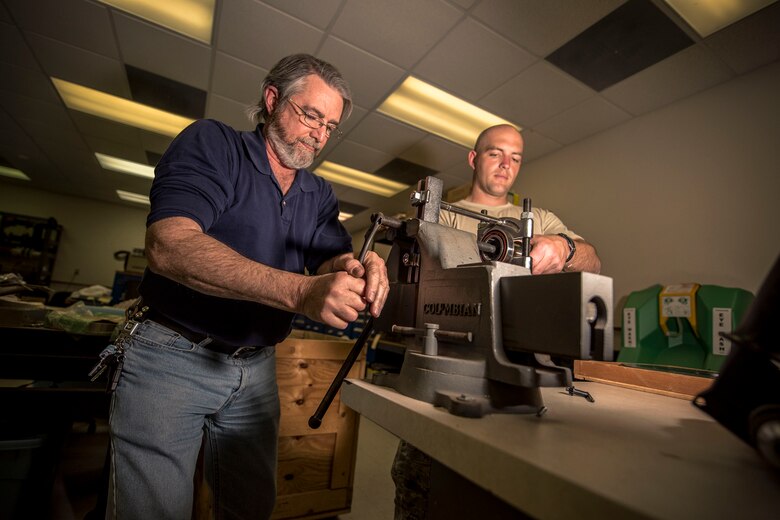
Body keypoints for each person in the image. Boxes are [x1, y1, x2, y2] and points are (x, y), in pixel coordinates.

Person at [104, 54, 388, 519]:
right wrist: (301, 292)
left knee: (251, 506)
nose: (319, 134)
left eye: (330, 126)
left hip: (254, 368)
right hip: (170, 355)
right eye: (311, 115)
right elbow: (169, 245)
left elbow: (329, 257)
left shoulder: (317, 194)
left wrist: (361, 264)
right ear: (272, 99)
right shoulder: (215, 145)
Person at [392, 123, 601, 519]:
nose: (507, 165)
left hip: (512, 388)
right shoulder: (444, 217)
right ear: (474, 158)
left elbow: (593, 259)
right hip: (444, 378)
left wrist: (564, 246)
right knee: (420, 491)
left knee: (498, 496)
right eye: (495, 154)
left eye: (516, 158)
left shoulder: (537, 219)